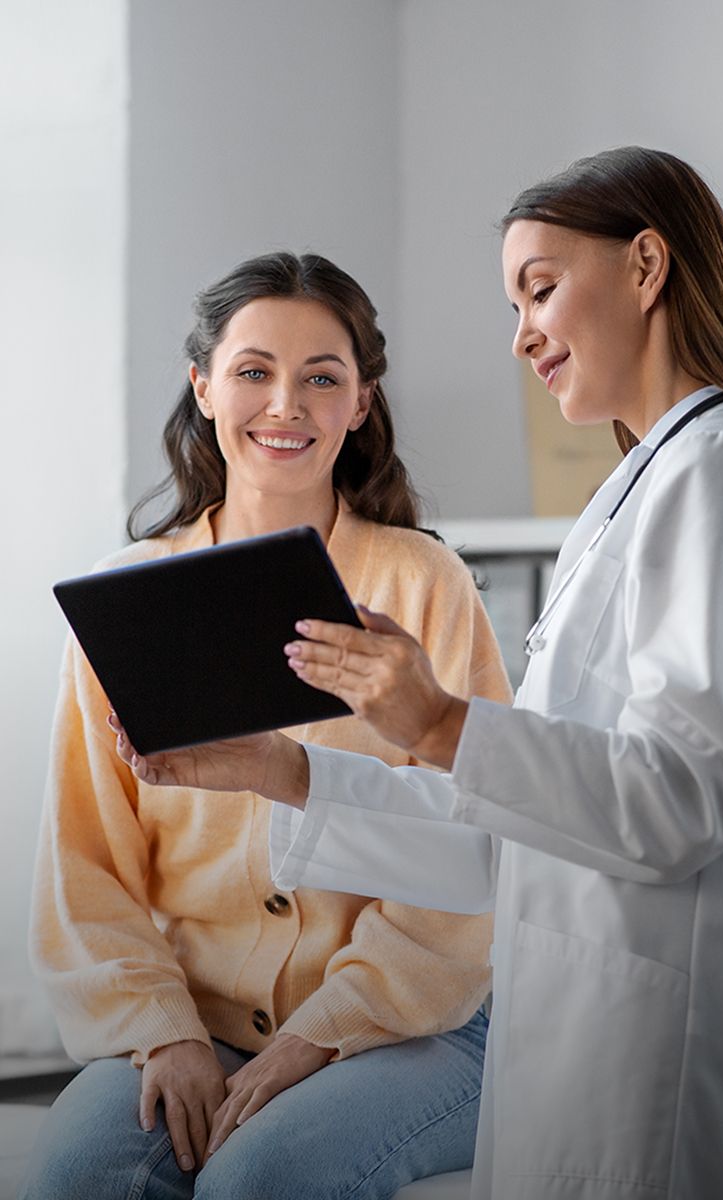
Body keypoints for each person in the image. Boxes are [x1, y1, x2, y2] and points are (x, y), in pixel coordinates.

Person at [114, 147, 723, 1200]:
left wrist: (434, 720)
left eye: (538, 288)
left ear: (646, 265)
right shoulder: (645, 487)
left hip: (664, 1058)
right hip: (582, 1031)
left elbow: (679, 803)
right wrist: (277, 771)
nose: (520, 334)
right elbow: (512, 835)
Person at [23, 252, 512, 1200]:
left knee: (260, 1180)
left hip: (418, 1020)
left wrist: (314, 1036)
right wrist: (165, 1030)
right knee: (84, 1180)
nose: (285, 404)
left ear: (360, 403)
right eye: (254, 372)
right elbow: (84, 864)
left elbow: (476, 852)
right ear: (202, 385)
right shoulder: (126, 597)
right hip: (188, 1014)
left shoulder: (423, 585)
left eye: (321, 378)